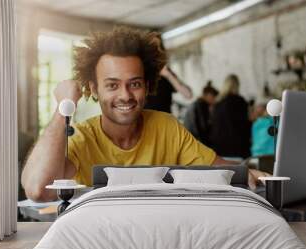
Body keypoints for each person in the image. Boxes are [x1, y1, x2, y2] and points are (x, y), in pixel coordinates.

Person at [21, 27, 267, 202]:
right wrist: (63, 109)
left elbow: (217, 168)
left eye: (135, 84)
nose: (125, 95)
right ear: (94, 89)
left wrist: (247, 172)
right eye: (112, 85)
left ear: (148, 86)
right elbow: (38, 190)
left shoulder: (166, 127)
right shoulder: (83, 138)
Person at [144, 38, 192, 113]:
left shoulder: (167, 73)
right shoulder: (142, 72)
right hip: (147, 121)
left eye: (160, 48)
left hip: (166, 121)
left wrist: (168, 75)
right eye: (153, 49)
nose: (157, 52)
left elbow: (188, 95)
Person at [210, 74, 251, 159]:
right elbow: (244, 125)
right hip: (237, 148)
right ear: (237, 85)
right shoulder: (240, 101)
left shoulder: (217, 103)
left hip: (219, 148)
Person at [183, 81, 218, 146]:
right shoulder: (201, 105)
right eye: (213, 97)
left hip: (190, 140)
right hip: (195, 141)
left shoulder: (197, 104)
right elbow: (203, 129)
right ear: (208, 95)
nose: (214, 100)